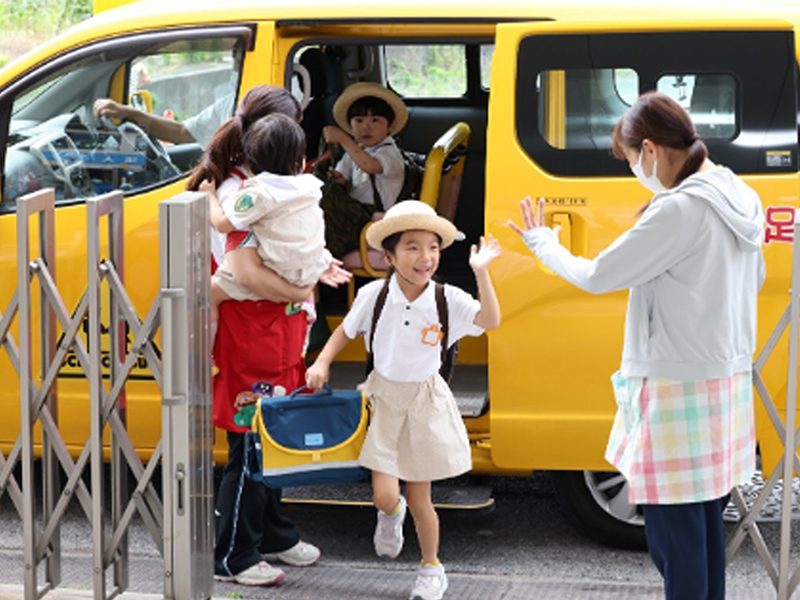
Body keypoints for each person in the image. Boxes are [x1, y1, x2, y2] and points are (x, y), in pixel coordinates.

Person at [509, 91, 764, 600]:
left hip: (675, 385)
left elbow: (599, 275)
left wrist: (544, 245)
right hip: (723, 379)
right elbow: (752, 279)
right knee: (704, 527)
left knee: (673, 536)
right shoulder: (738, 193)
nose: (634, 171)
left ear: (650, 149)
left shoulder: (681, 210)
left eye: (630, 161)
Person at [185, 85, 348, 588]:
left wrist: (310, 276)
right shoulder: (243, 195)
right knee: (251, 442)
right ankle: (234, 553)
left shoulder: (263, 186)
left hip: (273, 329)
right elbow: (244, 272)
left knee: (272, 433)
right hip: (252, 327)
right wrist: (301, 286)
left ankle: (273, 533)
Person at [306, 200, 502, 600]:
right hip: (383, 400)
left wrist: (481, 273)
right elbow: (345, 330)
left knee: (420, 497)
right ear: (389, 256)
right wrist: (323, 361)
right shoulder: (375, 295)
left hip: (424, 403)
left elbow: (490, 321)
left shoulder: (448, 299)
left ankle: (431, 567)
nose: (424, 256)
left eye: (432, 247)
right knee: (385, 495)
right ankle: (389, 517)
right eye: (412, 247)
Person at [202, 112, 332, 342]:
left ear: (251, 160)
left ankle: (208, 352)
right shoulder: (309, 187)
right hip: (309, 269)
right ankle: (308, 314)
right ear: (300, 161)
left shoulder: (257, 194)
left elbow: (223, 224)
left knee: (209, 292)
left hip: (278, 269)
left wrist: (209, 197)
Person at [319, 82, 407, 257]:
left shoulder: (389, 153)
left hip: (374, 219)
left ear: (390, 125)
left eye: (375, 120)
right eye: (359, 121)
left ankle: (323, 257)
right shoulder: (357, 150)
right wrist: (337, 178)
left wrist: (344, 140)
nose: (366, 127)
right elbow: (344, 174)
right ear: (351, 125)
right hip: (354, 214)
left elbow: (369, 165)